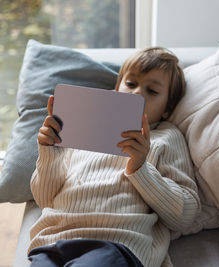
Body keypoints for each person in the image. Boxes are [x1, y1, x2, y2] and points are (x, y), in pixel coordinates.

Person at [29, 47, 201, 267]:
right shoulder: (83, 125)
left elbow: (185, 216)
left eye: (152, 91)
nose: (138, 93)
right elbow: (44, 198)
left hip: (117, 243)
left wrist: (141, 168)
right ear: (116, 86)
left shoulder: (166, 137)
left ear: (168, 108)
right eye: (131, 84)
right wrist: (49, 150)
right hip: (54, 241)